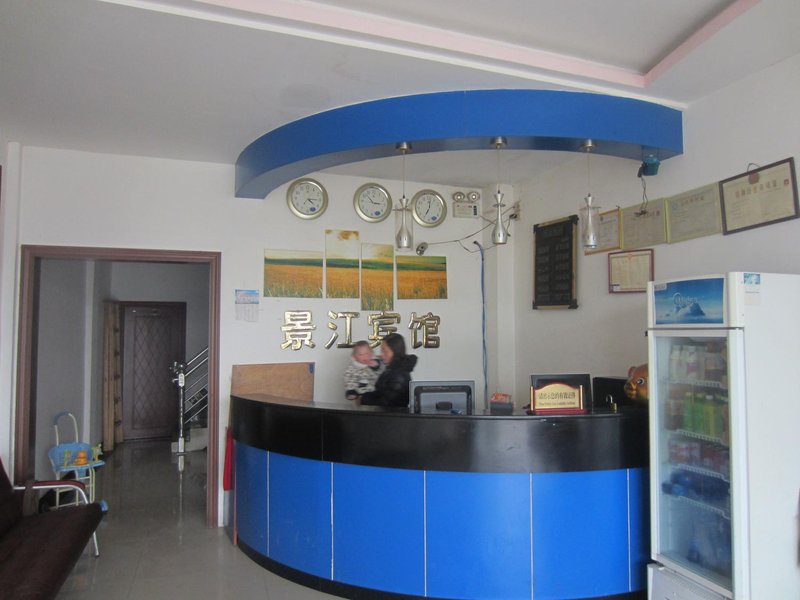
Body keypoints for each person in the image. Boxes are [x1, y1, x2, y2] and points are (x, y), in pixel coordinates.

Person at [360, 333, 417, 407]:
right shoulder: (392, 369)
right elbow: (380, 393)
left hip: (393, 414)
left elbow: (387, 403)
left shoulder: (399, 375)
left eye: (385, 351)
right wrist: (362, 396)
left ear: (396, 351)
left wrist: (362, 400)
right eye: (381, 350)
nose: (381, 354)